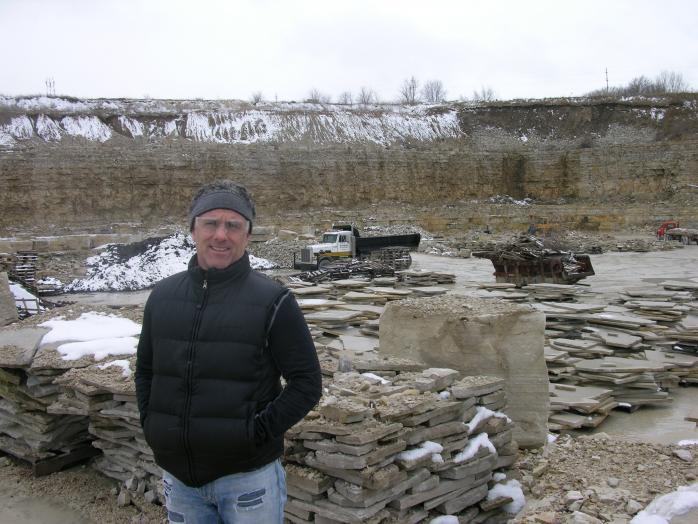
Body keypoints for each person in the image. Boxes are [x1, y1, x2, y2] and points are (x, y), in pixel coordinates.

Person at [135, 180, 322, 523]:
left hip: (247, 480)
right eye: (211, 223)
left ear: (247, 235)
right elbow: (146, 371)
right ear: (193, 230)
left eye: (233, 225)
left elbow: (307, 383)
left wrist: (254, 434)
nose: (221, 235)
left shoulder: (274, 301)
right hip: (180, 479)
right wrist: (152, 425)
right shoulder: (162, 296)